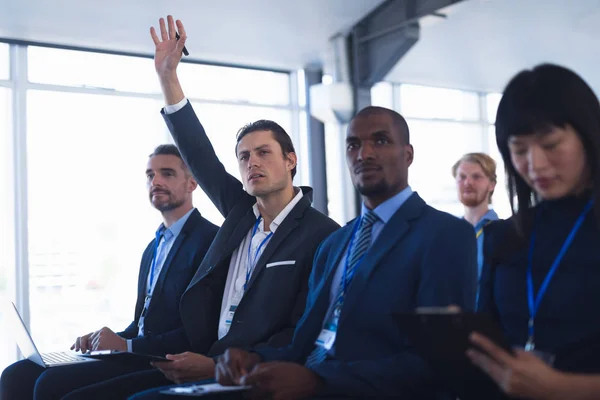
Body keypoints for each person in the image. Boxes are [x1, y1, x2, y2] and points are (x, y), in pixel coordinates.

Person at [59, 15, 340, 400]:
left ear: (290, 159)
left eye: (263, 153)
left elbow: (302, 331)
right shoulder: (241, 213)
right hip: (197, 359)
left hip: (249, 374)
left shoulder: (323, 234)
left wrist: (223, 364)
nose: (251, 163)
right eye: (243, 157)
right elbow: (200, 155)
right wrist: (167, 77)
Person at [136, 104, 478, 400]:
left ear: (408, 155)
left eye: (380, 140)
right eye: (353, 144)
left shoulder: (444, 235)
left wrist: (318, 381)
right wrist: (251, 360)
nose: (365, 153)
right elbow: (304, 341)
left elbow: (438, 363)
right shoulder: (336, 245)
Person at [0, 144, 219, 400]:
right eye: (150, 175)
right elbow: (143, 325)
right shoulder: (153, 247)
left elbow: (198, 333)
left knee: (50, 384)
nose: (156, 181)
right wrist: (104, 340)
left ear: (192, 183)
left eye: (167, 173)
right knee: (16, 374)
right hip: (139, 351)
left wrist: (126, 345)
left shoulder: (209, 241)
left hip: (165, 361)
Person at [467, 64, 600, 400]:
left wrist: (565, 390)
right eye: (520, 149)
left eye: (551, 144)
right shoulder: (505, 236)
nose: (535, 164)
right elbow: (488, 345)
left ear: (588, 135)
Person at [452, 152, 499, 285]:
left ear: (492, 184)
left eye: (476, 177)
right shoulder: (448, 233)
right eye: (462, 177)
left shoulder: (504, 233)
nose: (468, 182)